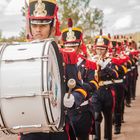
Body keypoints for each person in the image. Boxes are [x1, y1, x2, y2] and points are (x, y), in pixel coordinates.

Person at [61, 18, 98, 140]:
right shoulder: (61, 64)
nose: (71, 48)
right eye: (67, 45)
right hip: (67, 113)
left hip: (83, 111)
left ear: (79, 45)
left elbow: (94, 85)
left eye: (74, 45)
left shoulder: (89, 64)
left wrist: (80, 84)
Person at [91, 30, 118, 140]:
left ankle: (108, 137)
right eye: (98, 48)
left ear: (106, 49)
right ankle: (97, 138)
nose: (99, 51)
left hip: (107, 91)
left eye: (102, 49)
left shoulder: (110, 61)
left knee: (108, 117)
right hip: (96, 92)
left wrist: (103, 65)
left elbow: (115, 74)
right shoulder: (91, 60)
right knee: (96, 117)